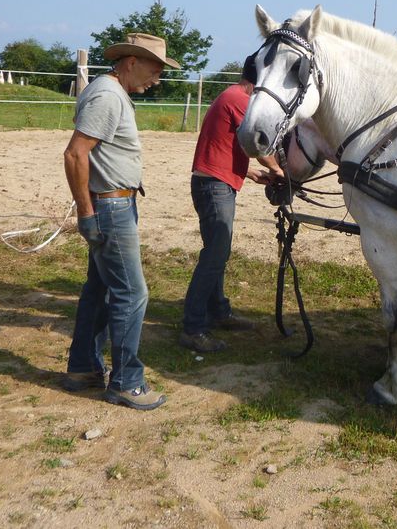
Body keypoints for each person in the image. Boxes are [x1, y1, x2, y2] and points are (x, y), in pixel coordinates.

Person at [61, 32, 179, 411]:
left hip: (114, 204)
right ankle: (127, 381)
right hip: (110, 207)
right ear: (131, 62)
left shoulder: (112, 93)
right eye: (154, 69)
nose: (157, 79)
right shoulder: (108, 96)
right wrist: (86, 212)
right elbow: (76, 154)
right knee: (132, 293)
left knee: (100, 289)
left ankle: (83, 368)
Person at [180, 55, 282, 353]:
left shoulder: (229, 94)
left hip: (213, 181)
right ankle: (193, 327)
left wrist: (247, 172)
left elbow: (224, 144)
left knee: (217, 252)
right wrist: (277, 170)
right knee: (214, 255)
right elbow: (258, 143)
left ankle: (219, 311)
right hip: (215, 187)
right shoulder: (241, 100)